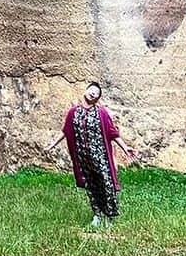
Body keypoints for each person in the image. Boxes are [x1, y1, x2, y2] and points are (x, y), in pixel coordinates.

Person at [47, 81, 136, 228]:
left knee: (106, 184)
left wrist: (125, 148)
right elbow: (66, 131)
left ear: (98, 98)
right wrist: (52, 144)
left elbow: (112, 132)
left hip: (100, 157)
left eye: (97, 92)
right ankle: (97, 214)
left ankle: (109, 215)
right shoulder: (74, 112)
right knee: (91, 186)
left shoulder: (101, 113)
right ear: (86, 91)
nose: (93, 93)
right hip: (84, 158)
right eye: (91, 90)